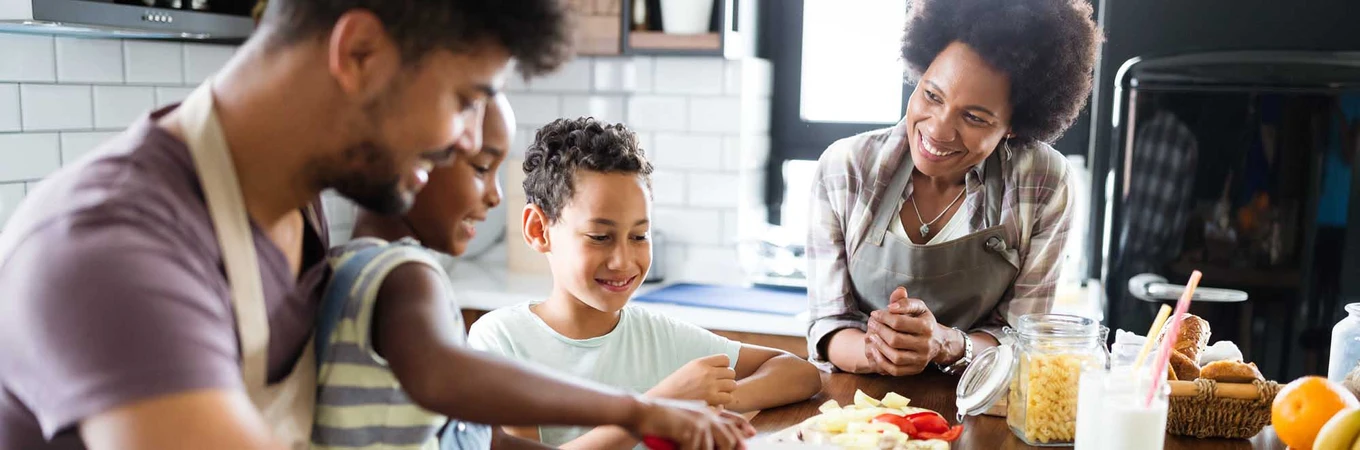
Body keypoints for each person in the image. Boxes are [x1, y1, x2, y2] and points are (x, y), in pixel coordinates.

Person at [0, 0, 743, 448]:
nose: (463, 143)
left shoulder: (302, 219)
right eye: (463, 97)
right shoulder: (109, 249)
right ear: (358, 53)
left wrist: (639, 416)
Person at [314, 98, 755, 450]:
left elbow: (492, 441)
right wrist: (640, 411)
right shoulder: (403, 274)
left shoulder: (364, 266)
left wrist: (655, 419)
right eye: (482, 168)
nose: (494, 197)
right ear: (415, 161)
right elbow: (447, 375)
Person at [467, 117, 824, 450]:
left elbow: (799, 373)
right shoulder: (501, 340)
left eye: (639, 236)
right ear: (538, 230)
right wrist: (658, 406)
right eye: (600, 236)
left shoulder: (656, 335)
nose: (623, 260)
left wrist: (709, 399)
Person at [806, 0, 1101, 376]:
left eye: (974, 117)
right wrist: (883, 351)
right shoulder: (845, 167)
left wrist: (946, 345)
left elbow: (1023, 340)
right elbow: (828, 325)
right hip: (859, 413)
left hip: (981, 409)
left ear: (1014, 126)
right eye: (932, 95)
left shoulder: (1042, 180)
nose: (938, 130)